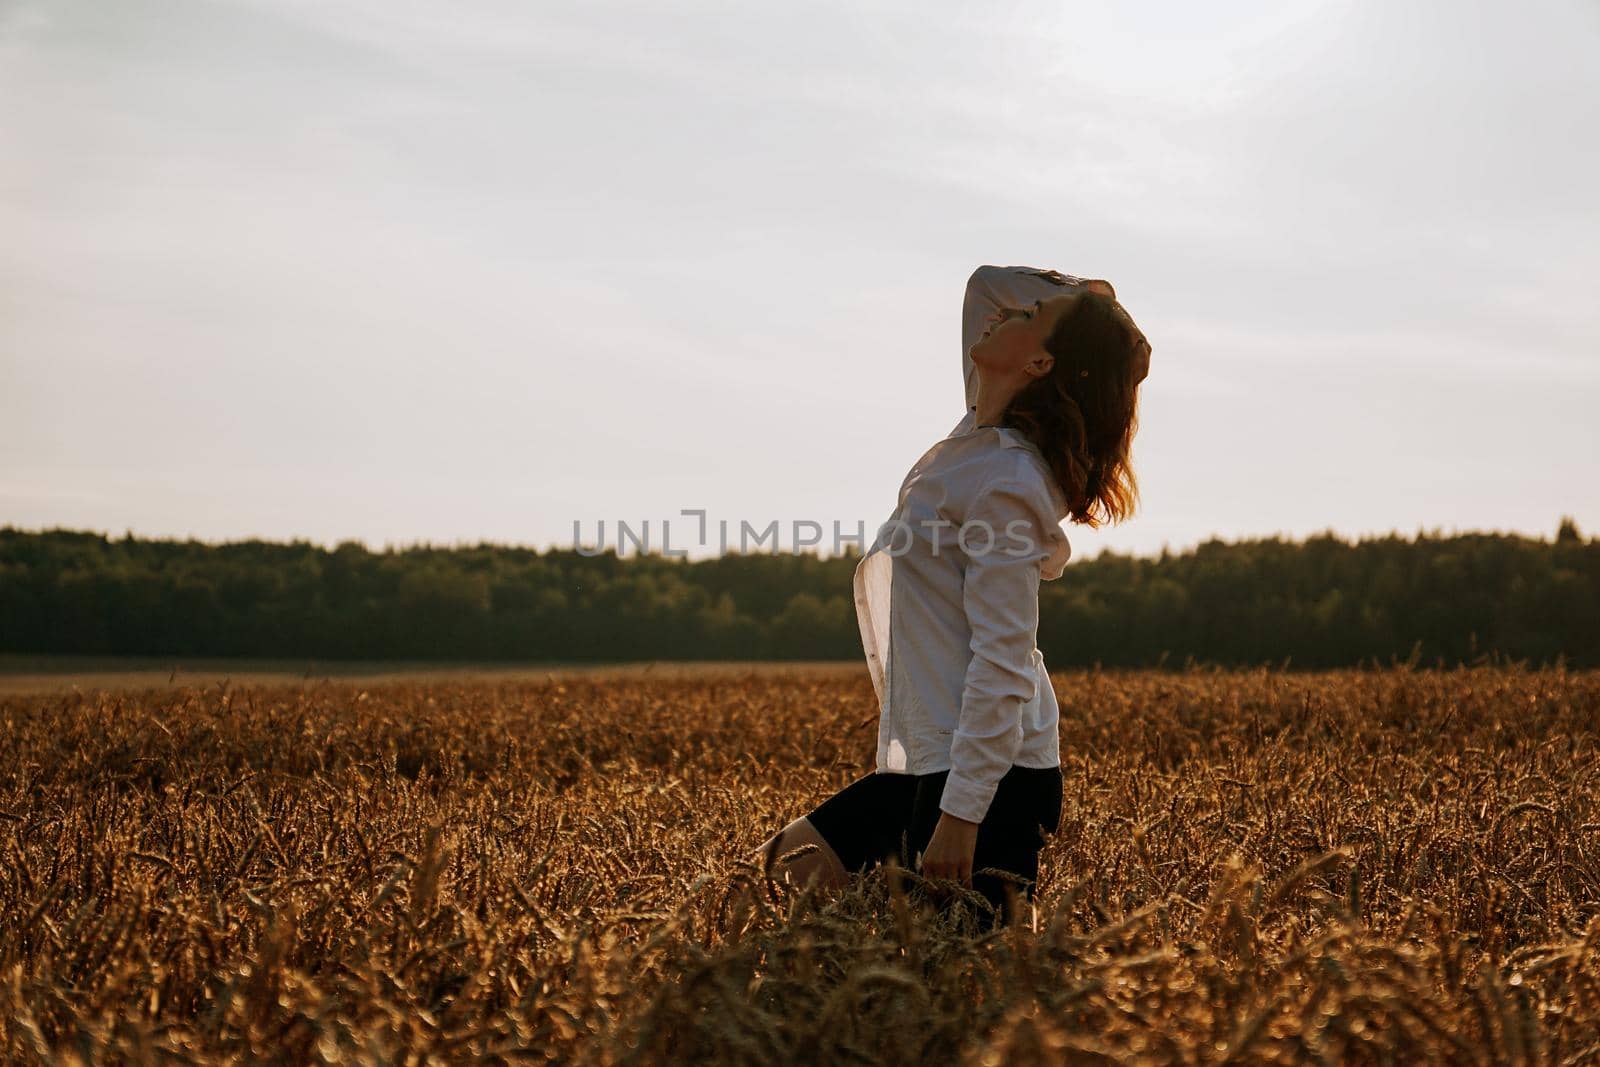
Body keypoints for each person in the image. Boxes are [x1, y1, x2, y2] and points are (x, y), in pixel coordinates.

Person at [750, 264, 1151, 932]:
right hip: (935, 757)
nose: (1005, 315)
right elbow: (985, 286)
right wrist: (1087, 300)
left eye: (1027, 317)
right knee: (768, 878)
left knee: (967, 993)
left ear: (1040, 360)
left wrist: (961, 817)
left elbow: (1005, 660)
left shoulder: (1007, 479)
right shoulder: (981, 432)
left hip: (992, 781)